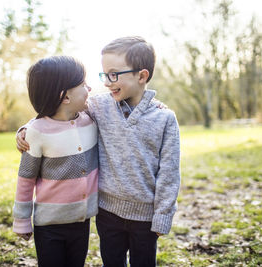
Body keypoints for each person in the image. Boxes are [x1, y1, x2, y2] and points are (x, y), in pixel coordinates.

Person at [17, 36, 181, 267]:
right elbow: (58, 113)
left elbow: (169, 172)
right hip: (107, 213)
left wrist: (163, 215)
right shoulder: (99, 106)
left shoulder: (165, 118)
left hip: (145, 216)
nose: (106, 82)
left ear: (142, 76)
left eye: (114, 74)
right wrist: (25, 128)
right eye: (104, 74)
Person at [12, 56, 98, 267]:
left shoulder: (91, 119)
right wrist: (22, 220)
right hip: (49, 226)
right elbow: (26, 180)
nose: (90, 87)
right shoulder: (37, 132)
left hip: (82, 221)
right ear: (65, 96)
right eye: (83, 84)